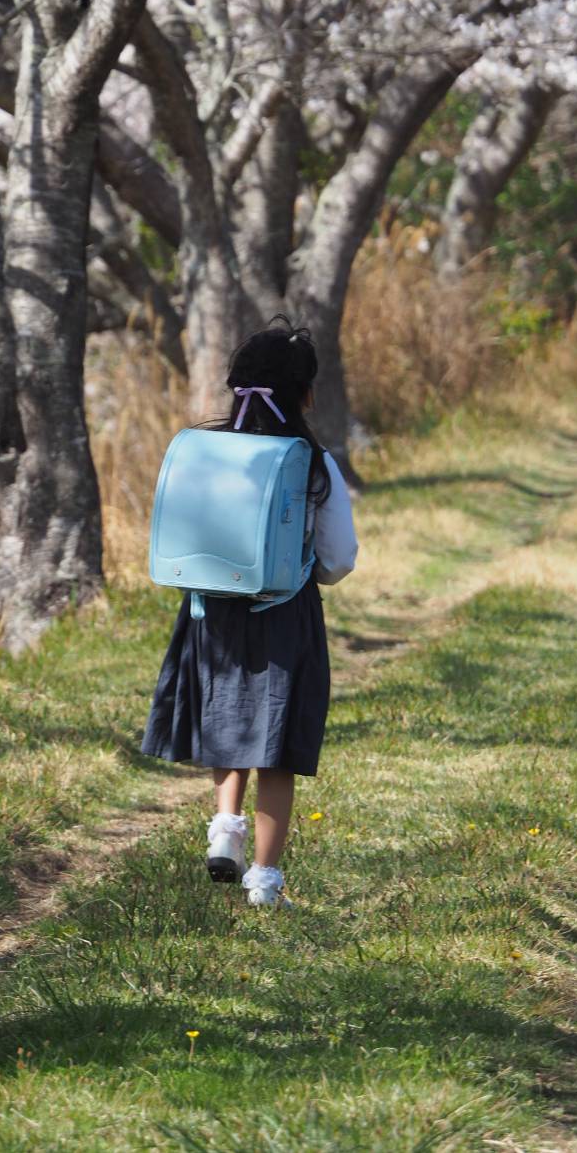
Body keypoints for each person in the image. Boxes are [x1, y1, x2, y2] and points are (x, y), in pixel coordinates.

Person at [141, 318, 358, 908]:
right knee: (277, 747)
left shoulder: (203, 449)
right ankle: (263, 880)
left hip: (210, 611)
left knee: (227, 720)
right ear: (305, 393)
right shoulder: (312, 463)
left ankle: (225, 826)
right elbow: (339, 557)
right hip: (285, 615)